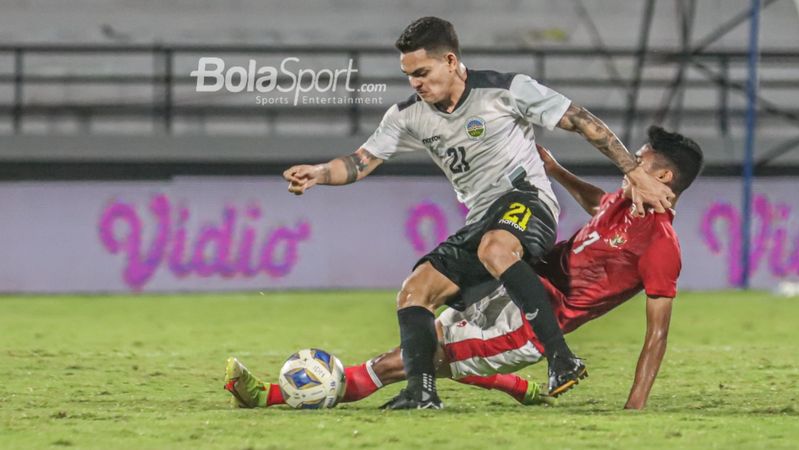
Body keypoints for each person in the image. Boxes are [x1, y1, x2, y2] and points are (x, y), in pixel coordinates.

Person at [282, 17, 674, 409]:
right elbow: (359, 162)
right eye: (408, 75)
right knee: (414, 291)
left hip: (528, 200)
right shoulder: (408, 117)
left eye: (422, 72)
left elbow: (582, 122)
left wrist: (634, 171)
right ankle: (421, 394)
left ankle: (561, 358)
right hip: (481, 217)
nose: (415, 83)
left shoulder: (506, 91)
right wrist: (318, 173)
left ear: (450, 61)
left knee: (496, 249)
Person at [231, 126, 702, 410]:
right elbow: (597, 204)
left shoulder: (661, 245)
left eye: (639, 161)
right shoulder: (623, 202)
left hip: (529, 326)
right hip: (515, 288)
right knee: (423, 342)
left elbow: (656, 334)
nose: (630, 164)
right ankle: (516, 387)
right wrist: (556, 170)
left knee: (403, 362)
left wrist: (636, 406)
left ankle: (272, 396)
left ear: (662, 177)